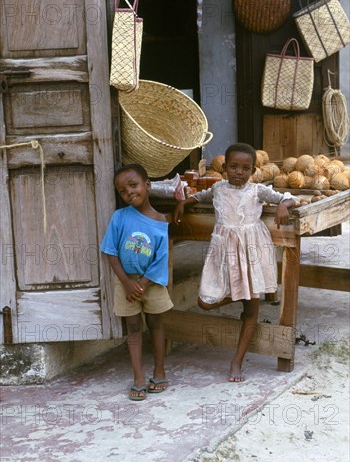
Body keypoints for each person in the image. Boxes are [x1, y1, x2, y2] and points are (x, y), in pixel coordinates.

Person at [174, 143, 296, 382]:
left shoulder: (257, 191)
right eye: (234, 166)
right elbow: (200, 195)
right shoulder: (218, 188)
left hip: (251, 253)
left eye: (245, 168)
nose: (239, 172)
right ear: (224, 167)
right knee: (204, 302)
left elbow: (289, 196)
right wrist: (183, 203)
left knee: (250, 310)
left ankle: (236, 362)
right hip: (223, 253)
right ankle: (240, 294)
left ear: (252, 171)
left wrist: (283, 205)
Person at [101, 164, 173, 401]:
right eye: (122, 190)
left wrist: (141, 283)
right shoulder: (119, 217)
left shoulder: (160, 221)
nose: (129, 192)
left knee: (156, 324)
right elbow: (111, 252)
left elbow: (161, 258)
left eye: (133, 185)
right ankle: (138, 378)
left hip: (151, 283)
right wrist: (127, 283)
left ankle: (159, 372)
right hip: (126, 283)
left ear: (147, 185)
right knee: (133, 328)